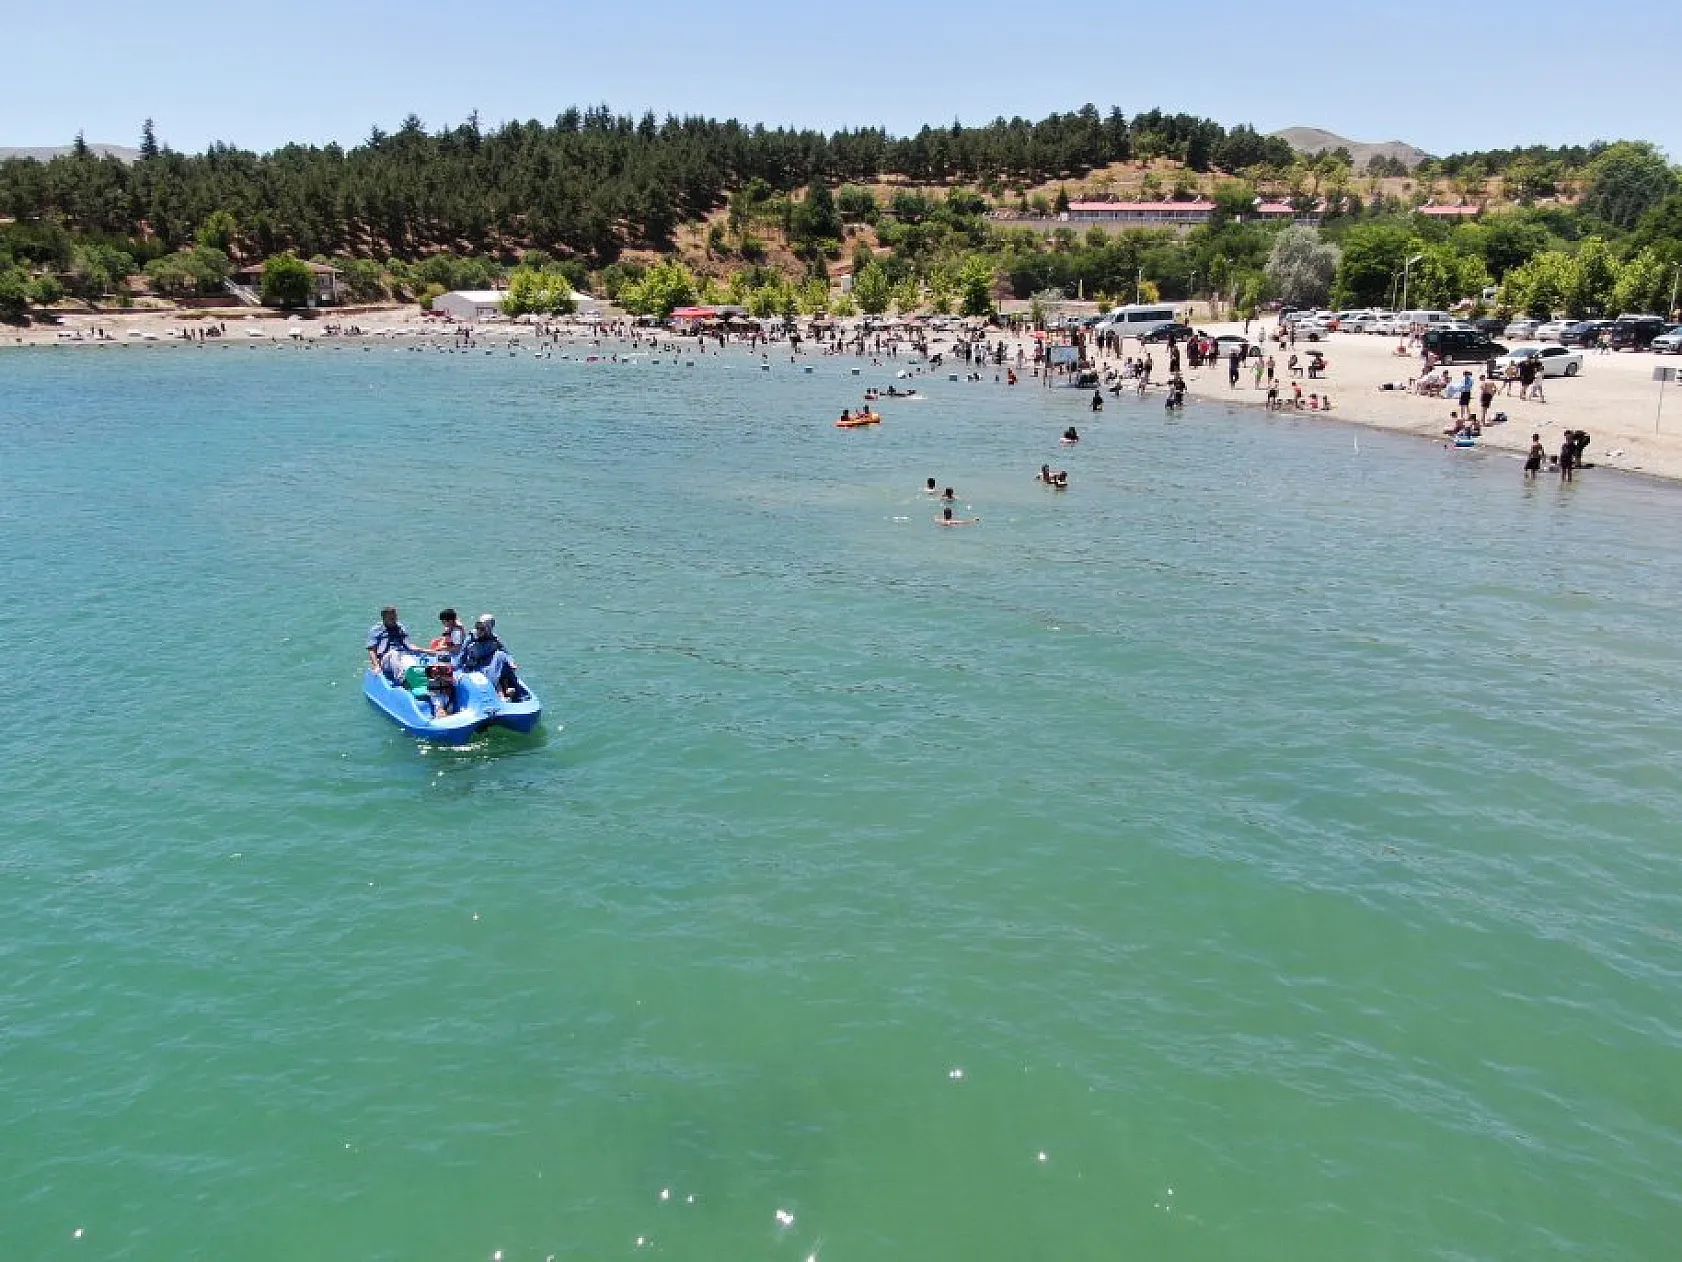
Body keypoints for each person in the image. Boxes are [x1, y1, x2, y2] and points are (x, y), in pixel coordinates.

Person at [454, 613, 525, 701]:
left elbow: (505, 652)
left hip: (490, 665)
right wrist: (457, 670)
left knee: (501, 657)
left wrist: (512, 662)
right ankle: (501, 694)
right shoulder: (471, 638)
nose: (479, 630)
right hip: (475, 667)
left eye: (483, 627)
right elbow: (462, 654)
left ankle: (509, 691)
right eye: (478, 626)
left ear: (490, 627)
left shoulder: (494, 638)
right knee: (495, 670)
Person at [367, 606, 422, 683]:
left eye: (395, 617)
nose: (394, 620)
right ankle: (402, 680)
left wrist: (427, 651)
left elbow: (408, 645)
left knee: (411, 665)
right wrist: (376, 666)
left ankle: (418, 682)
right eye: (391, 619)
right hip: (385, 658)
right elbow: (371, 650)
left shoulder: (400, 627)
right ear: (384, 618)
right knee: (394, 654)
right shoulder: (376, 629)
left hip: (402, 654)